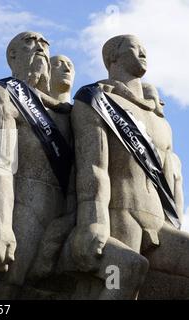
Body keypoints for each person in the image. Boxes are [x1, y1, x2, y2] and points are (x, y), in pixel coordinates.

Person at [71, 34, 189, 299]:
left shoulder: (160, 120)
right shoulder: (95, 99)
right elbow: (94, 167)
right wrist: (94, 220)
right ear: (113, 56)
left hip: (158, 220)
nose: (143, 52)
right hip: (119, 212)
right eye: (135, 48)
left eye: (145, 48)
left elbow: (168, 179)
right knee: (119, 281)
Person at [0, 31, 75, 299]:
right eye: (31, 42)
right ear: (13, 55)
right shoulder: (0, 95)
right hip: (22, 210)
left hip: (67, 215)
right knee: (7, 289)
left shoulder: (71, 113)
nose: (41, 47)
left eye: (45, 44)